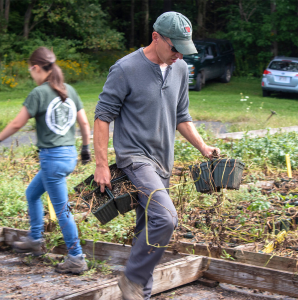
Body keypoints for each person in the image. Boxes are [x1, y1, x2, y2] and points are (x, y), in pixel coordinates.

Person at [93, 12, 220, 300]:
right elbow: (102, 118)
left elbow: (181, 115)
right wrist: (101, 165)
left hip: (164, 161)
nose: (178, 55)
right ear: (155, 37)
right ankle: (133, 280)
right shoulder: (125, 69)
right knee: (166, 219)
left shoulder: (179, 69)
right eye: (174, 48)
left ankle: (140, 294)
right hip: (135, 159)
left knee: (147, 232)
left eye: (183, 49)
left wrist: (203, 146)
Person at [0, 47, 91, 275]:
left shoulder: (39, 93)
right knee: (32, 193)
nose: (32, 74)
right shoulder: (69, 90)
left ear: (37, 68)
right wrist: (86, 148)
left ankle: (76, 257)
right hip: (68, 155)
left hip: (52, 159)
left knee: (62, 211)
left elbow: (17, 124)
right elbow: (85, 124)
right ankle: (35, 238)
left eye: (31, 70)